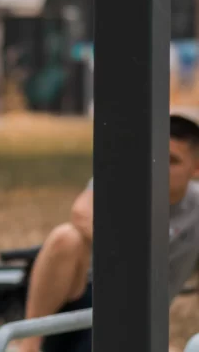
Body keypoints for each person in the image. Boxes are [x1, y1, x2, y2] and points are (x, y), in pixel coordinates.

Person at [19, 112, 199, 352]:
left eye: (173, 161)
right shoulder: (125, 180)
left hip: (138, 324)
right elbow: (81, 211)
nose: (161, 168)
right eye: (156, 157)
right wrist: (129, 251)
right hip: (82, 302)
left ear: (196, 169)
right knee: (66, 238)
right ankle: (29, 345)